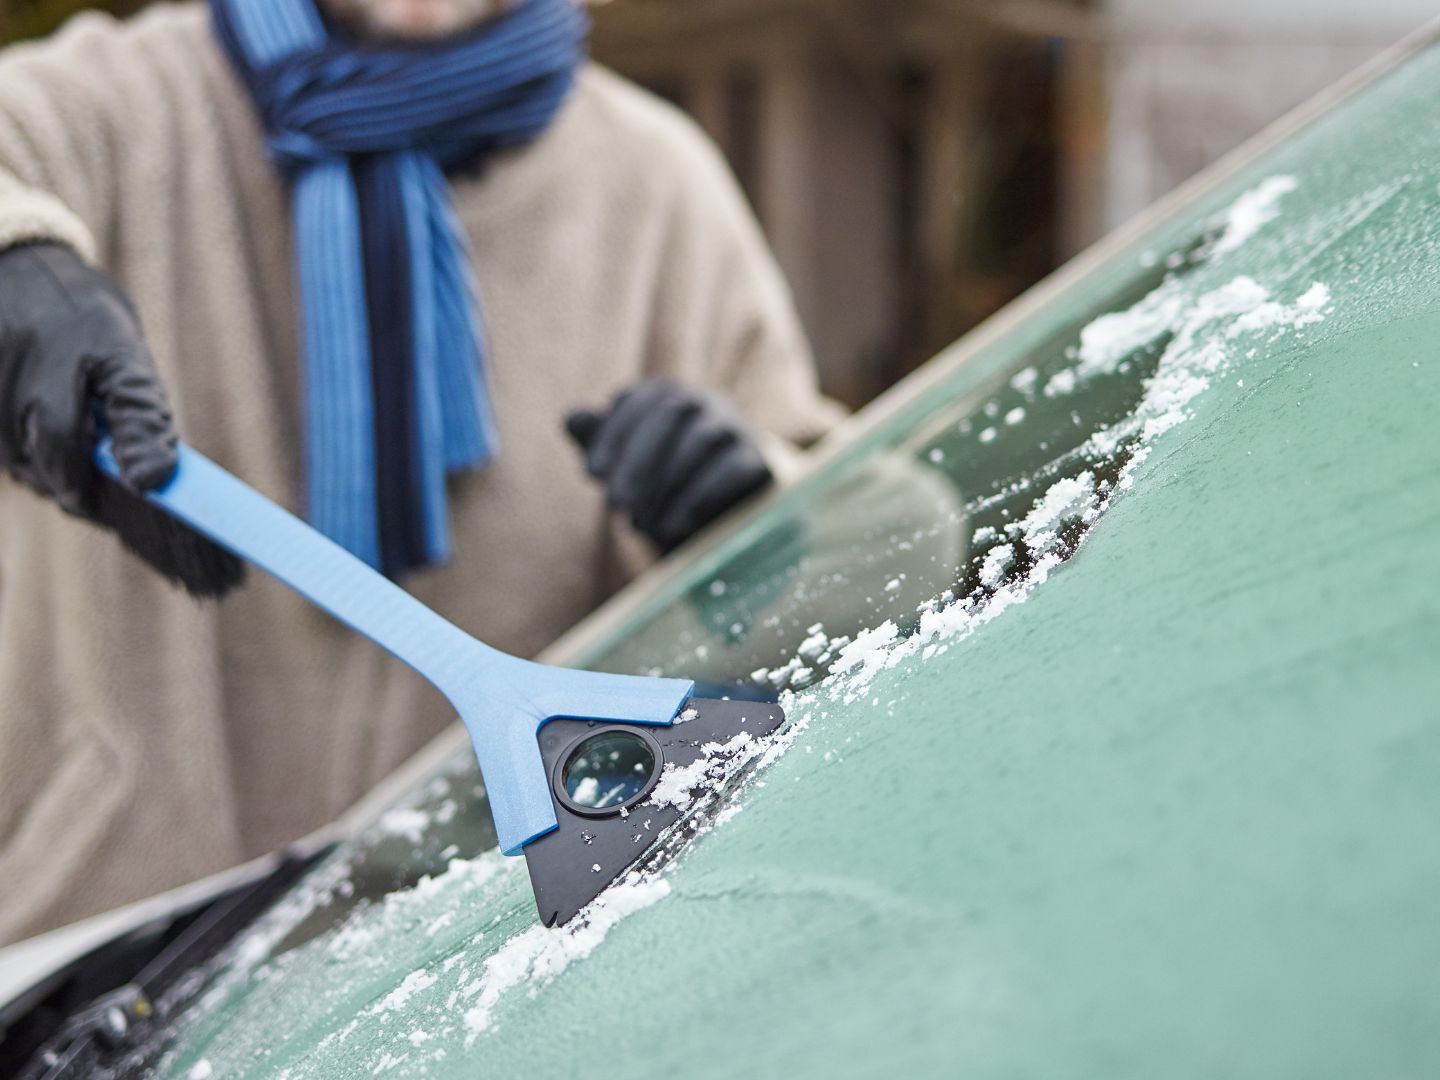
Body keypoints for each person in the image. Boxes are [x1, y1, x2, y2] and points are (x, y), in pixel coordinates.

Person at [0, 0, 843, 945]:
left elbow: (870, 560)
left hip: (451, 978)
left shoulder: (657, 187)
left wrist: (752, 512)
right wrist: (20, 261)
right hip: (78, 952)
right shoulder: (117, 107)